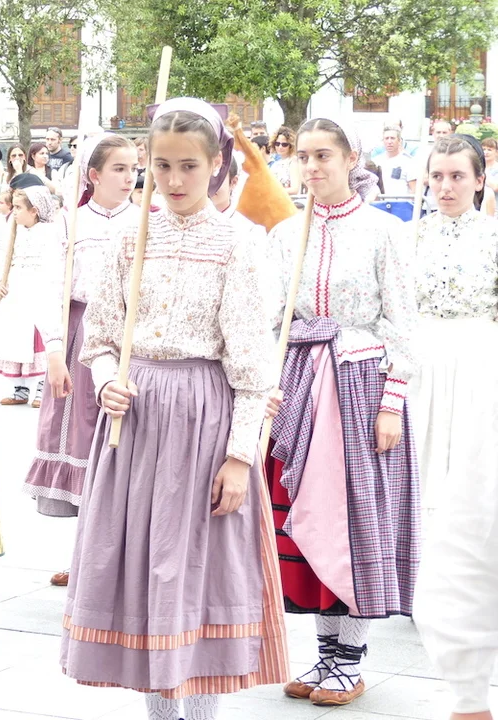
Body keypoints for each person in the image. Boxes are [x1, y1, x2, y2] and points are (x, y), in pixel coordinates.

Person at [61, 98, 288, 720]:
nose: (175, 180)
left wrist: (240, 457)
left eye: (189, 165)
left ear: (216, 165)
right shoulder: (128, 238)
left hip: (204, 421)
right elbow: (99, 340)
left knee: (195, 573)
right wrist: (106, 382)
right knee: (144, 573)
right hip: (135, 426)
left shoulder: (238, 243)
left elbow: (252, 368)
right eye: (162, 166)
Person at [266, 117, 419, 707]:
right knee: (310, 517)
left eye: (323, 155)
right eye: (303, 156)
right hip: (302, 382)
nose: (311, 167)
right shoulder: (286, 233)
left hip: (359, 384)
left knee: (354, 519)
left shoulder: (384, 231)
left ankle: (350, 660)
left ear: (351, 157)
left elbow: (402, 321)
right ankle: (325, 654)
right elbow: (273, 316)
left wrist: (392, 402)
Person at [23, 134, 140, 586]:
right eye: (118, 169)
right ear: (94, 175)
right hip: (80, 337)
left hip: (130, 342)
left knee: (123, 443)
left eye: (133, 169)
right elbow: (50, 285)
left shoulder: (145, 223)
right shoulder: (70, 224)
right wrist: (54, 349)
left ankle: (121, 557)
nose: (129, 177)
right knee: (84, 440)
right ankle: (86, 556)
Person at [411, 134, 498, 720]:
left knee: (470, 476)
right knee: (422, 474)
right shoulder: (409, 238)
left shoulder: (493, 238)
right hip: (422, 363)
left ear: (479, 180)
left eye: (457, 176)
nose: (445, 187)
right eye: (437, 176)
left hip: (480, 362)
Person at [0, 178, 61, 407]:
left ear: (35, 211)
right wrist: (1, 283)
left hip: (38, 295)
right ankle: (20, 389)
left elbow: (54, 267)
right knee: (16, 339)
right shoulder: (15, 230)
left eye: (19, 208)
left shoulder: (50, 233)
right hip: (16, 294)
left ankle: (41, 389)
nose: (15, 212)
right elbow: (7, 259)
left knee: (36, 341)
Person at [374, 126, 416, 196]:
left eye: (392, 138)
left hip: (401, 202)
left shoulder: (408, 162)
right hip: (380, 201)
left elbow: (414, 190)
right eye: (386, 138)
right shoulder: (376, 161)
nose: (389, 142)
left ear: (399, 141)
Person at [271, 126, 302, 195]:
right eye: (277, 144)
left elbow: (295, 189)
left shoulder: (293, 162)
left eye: (284, 144)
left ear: (290, 146)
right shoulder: (275, 164)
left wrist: (272, 192)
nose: (280, 147)